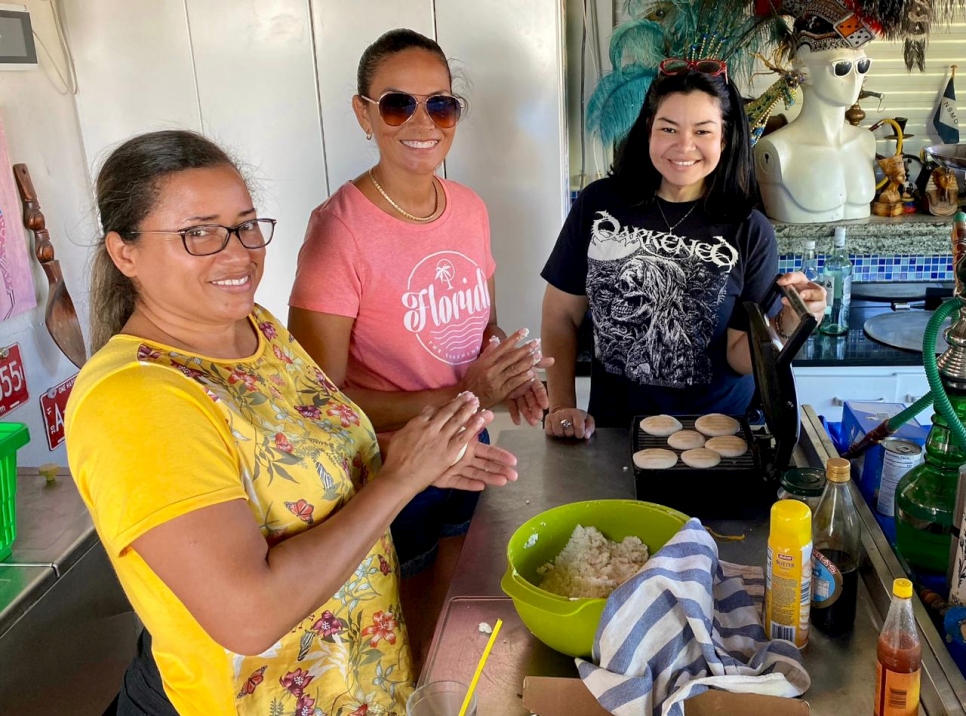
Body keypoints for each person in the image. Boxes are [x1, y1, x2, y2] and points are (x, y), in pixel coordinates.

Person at [65, 129, 518, 715]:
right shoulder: (136, 399)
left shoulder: (258, 328)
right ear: (125, 252)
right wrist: (398, 480)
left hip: (354, 682)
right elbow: (248, 616)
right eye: (197, 233)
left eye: (245, 225)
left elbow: (294, 463)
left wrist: (409, 455)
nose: (237, 252)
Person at [287, 29, 550, 664]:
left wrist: (508, 373)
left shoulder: (468, 209)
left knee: (461, 623)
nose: (423, 122)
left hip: (473, 448)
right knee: (403, 643)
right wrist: (467, 391)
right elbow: (318, 406)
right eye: (398, 104)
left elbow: (480, 323)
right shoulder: (338, 232)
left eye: (441, 104)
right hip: (393, 471)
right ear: (364, 113)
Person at [541, 65, 827, 439]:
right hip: (614, 433)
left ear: (724, 139)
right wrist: (561, 404)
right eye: (668, 128)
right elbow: (561, 313)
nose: (684, 146)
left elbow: (740, 357)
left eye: (703, 131)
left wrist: (788, 325)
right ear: (649, 131)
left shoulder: (750, 230)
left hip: (716, 440)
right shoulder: (601, 204)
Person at [754, 45, 876, 223]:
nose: (856, 77)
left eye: (862, 65)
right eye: (841, 68)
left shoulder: (866, 141)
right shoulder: (778, 149)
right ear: (805, 73)